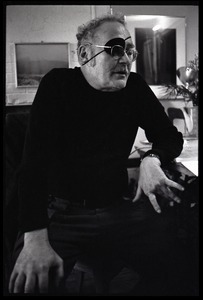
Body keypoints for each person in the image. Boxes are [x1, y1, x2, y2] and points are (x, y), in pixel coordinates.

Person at [8, 13, 185, 295]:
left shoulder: (135, 87)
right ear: (84, 55)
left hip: (118, 209)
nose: (125, 59)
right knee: (27, 284)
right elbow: (32, 166)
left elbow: (169, 136)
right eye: (115, 49)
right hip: (61, 213)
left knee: (183, 265)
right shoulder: (58, 85)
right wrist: (34, 237)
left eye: (129, 50)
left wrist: (152, 159)